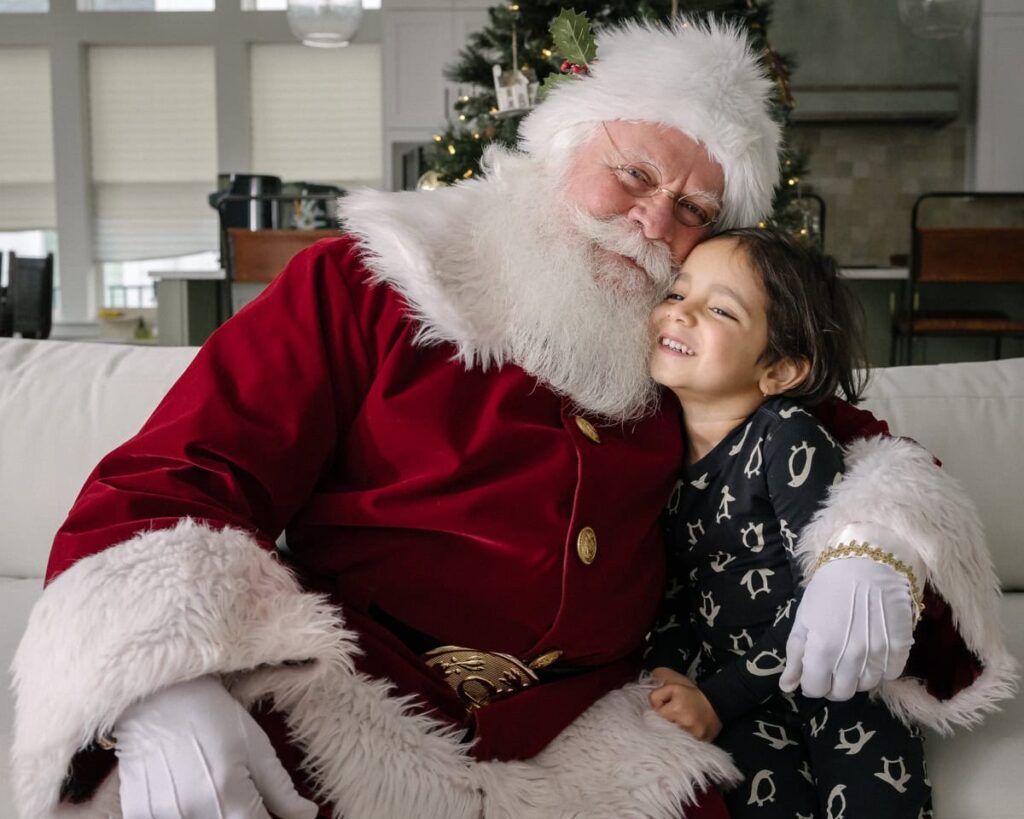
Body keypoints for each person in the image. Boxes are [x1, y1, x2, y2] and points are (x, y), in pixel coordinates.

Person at [11, 18, 1014, 819]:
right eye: (632, 176)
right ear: (561, 146)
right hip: (344, 712)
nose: (653, 225)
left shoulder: (679, 342)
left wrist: (873, 549)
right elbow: (178, 478)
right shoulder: (365, 282)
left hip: (600, 745)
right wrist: (160, 687)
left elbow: (854, 451)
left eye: (693, 210)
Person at [645, 228, 932, 817]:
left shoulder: (787, 438)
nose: (683, 313)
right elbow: (671, 589)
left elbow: (825, 586)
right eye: (676, 294)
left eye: (720, 308)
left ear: (778, 370)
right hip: (743, 702)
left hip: (837, 681)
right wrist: (668, 667)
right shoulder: (650, 453)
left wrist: (720, 697)